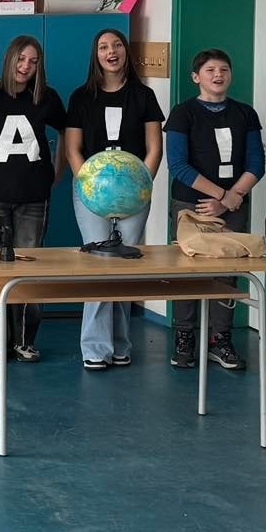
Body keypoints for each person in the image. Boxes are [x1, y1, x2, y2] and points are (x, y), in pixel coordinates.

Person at [66, 27, 164, 370]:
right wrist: (89, 188)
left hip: (134, 192)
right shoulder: (81, 97)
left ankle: (120, 344)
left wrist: (139, 187)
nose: (112, 51)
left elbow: (154, 148)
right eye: (104, 46)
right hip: (91, 192)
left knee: (125, 265)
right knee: (98, 264)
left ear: (125, 52)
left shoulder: (144, 95)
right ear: (96, 55)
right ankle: (95, 347)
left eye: (118, 45)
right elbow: (73, 149)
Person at [0, 35, 67, 362]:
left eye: (33, 61)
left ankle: (25, 339)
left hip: (32, 198)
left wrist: (58, 170)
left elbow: (67, 130)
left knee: (28, 267)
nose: (26, 66)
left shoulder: (47, 97)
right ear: (9, 59)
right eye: (21, 59)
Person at [164, 47, 263, 370]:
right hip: (191, 204)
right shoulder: (183, 113)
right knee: (186, 271)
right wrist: (221, 196)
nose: (218, 75)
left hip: (233, 205)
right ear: (196, 77)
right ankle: (184, 337)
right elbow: (178, 165)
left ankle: (220, 340)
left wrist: (232, 198)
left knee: (227, 272)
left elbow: (256, 163)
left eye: (223, 69)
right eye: (210, 70)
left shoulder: (245, 113)